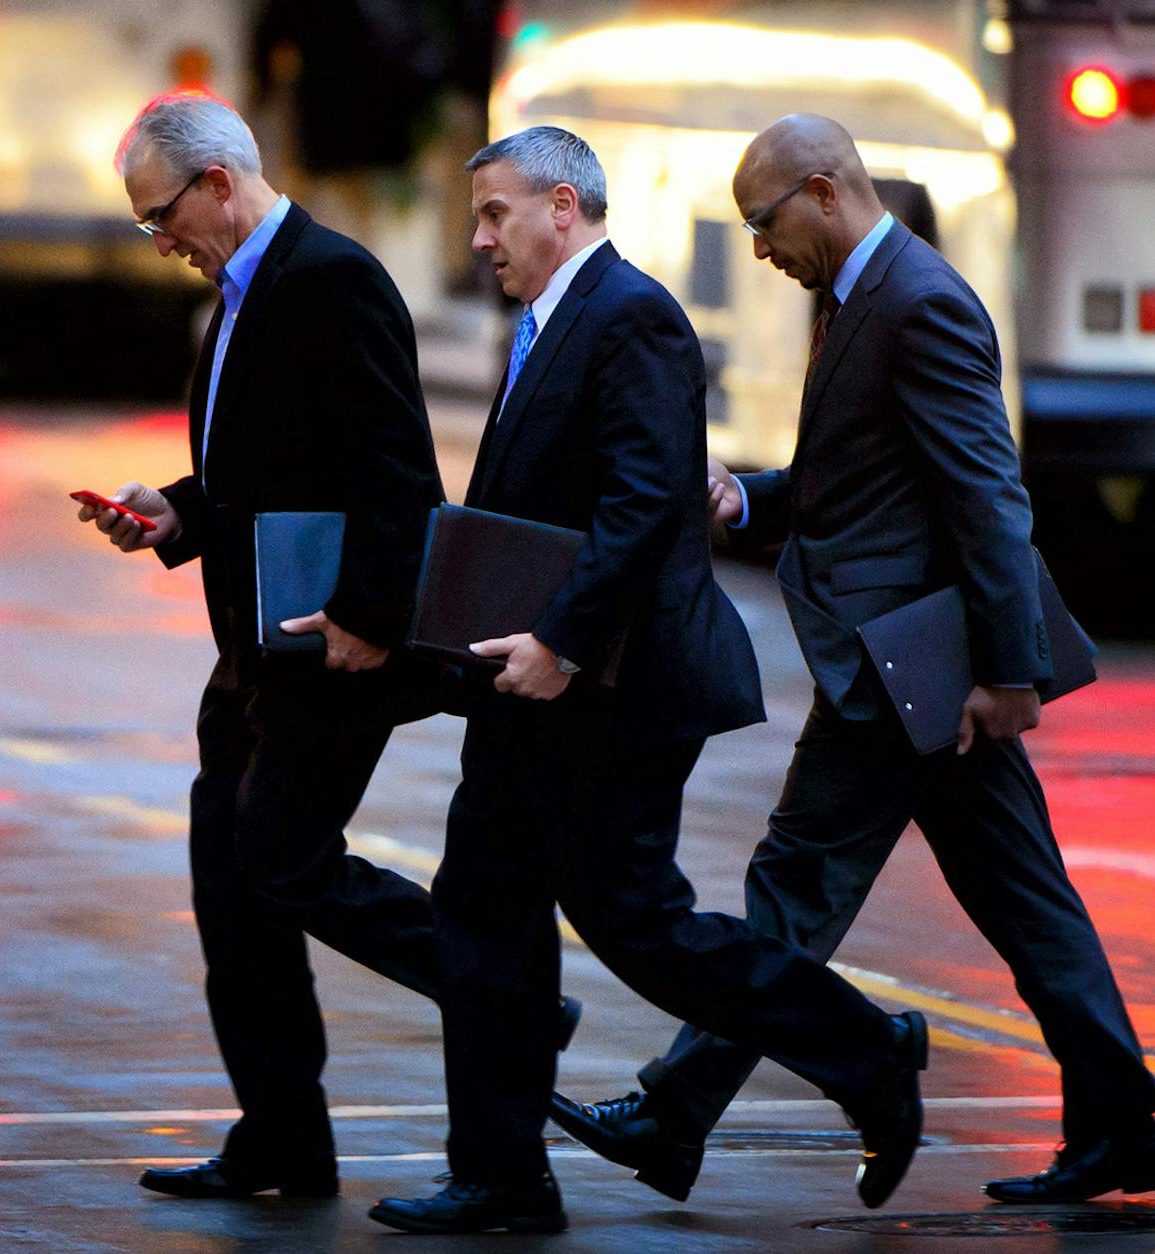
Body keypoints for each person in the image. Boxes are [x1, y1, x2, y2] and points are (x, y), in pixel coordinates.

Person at [549, 114, 1155, 1206]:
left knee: (794, 888)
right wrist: (755, 496)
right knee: (1026, 903)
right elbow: (860, 483)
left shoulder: (919, 302)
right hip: (916, 669)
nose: (757, 250)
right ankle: (1120, 1124)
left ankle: (680, 1110)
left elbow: (987, 497)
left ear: (826, 191)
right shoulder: (855, 299)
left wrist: (1013, 674)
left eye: (765, 220)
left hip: (909, 674)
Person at [366, 126, 929, 1236]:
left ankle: (868, 1049)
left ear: (564, 206)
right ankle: (500, 1173)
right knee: (482, 906)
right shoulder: (546, 322)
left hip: (613, 688)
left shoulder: (633, 320)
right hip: (531, 685)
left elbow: (643, 507)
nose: (480, 239)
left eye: (494, 214)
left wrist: (561, 642)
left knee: (640, 924)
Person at [77, 92, 577, 1204]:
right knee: (233, 895)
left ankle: (506, 988)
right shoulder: (240, 295)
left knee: (279, 859)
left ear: (219, 183)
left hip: (331, 647)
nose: (161, 245)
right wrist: (172, 513)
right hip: (254, 651)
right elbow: (266, 470)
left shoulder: (331, 278)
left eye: (162, 218)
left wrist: (365, 613)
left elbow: (395, 474)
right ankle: (284, 1141)